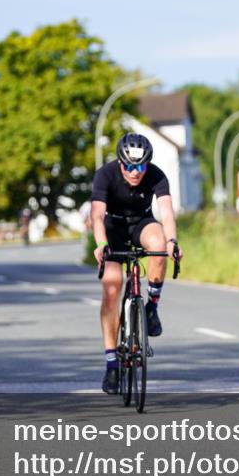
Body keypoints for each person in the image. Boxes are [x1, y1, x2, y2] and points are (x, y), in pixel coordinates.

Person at [91, 133, 181, 394]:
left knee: (159, 244)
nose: (135, 172)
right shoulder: (105, 174)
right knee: (112, 286)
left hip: (141, 222)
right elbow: (97, 215)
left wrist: (173, 240)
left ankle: (151, 307)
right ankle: (111, 364)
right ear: (120, 162)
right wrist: (100, 243)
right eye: (129, 166)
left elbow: (166, 212)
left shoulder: (156, 175)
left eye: (140, 166)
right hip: (112, 226)